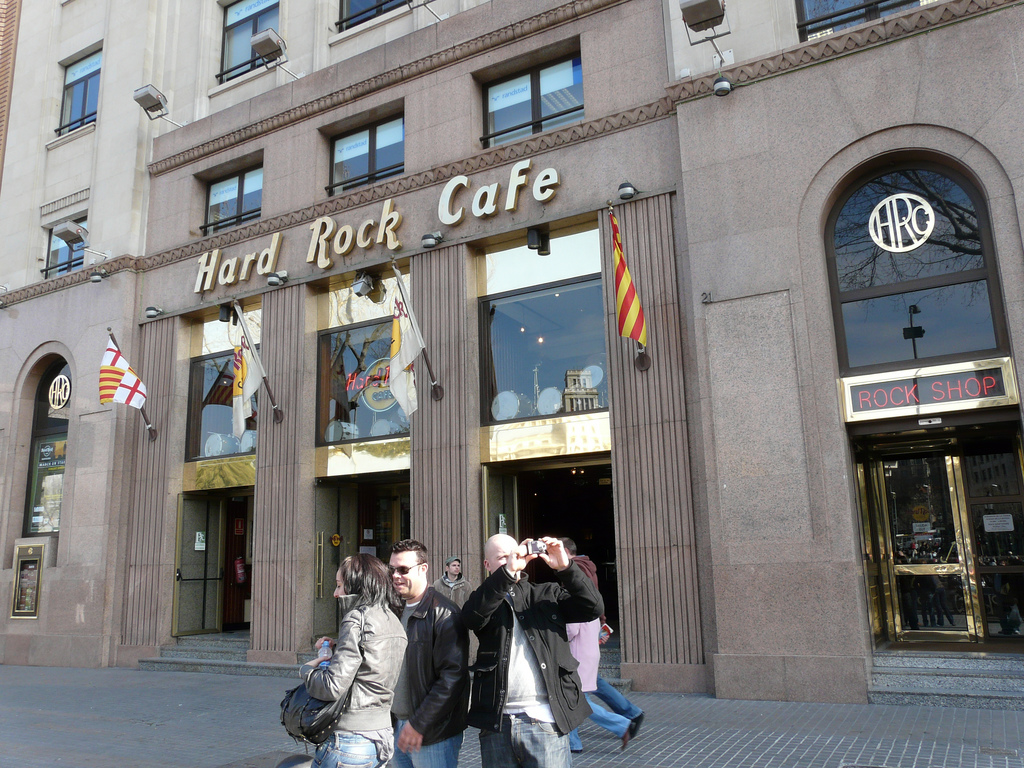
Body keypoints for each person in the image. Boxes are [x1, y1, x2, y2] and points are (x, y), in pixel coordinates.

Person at [462, 534, 603, 768]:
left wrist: (566, 568)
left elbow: (593, 607)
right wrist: (507, 574)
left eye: (514, 555)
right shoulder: (483, 599)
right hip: (497, 723)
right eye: (502, 558)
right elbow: (471, 618)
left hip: (544, 721)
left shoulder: (547, 593)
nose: (510, 560)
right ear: (487, 564)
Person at [300, 553, 408, 768]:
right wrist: (337, 648)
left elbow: (332, 686)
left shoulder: (356, 618)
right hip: (381, 736)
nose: (335, 593)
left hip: (350, 739)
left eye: (340, 585)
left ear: (356, 584)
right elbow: (370, 668)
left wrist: (307, 671)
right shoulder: (393, 619)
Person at [389, 539, 470, 768]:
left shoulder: (445, 613)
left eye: (403, 569)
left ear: (423, 568)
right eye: (392, 569)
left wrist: (419, 724)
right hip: (397, 726)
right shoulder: (393, 609)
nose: (395, 576)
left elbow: (452, 678)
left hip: (432, 733)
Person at [559, 538, 643, 754]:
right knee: (576, 696)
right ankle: (573, 742)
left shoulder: (574, 577)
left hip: (577, 653)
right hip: (588, 648)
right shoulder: (588, 570)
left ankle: (622, 725)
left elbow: (572, 628)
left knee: (577, 699)